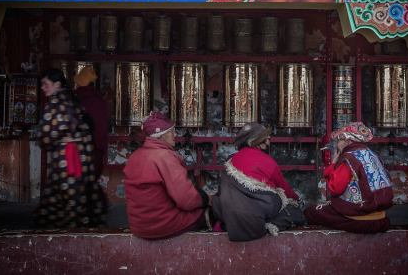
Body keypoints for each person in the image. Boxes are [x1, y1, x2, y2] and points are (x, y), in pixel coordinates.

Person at [123, 111, 213, 240]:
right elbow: (186, 201)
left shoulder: (136, 155)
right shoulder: (164, 157)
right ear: (161, 136)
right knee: (211, 215)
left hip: (138, 225)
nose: (175, 135)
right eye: (172, 131)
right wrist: (204, 200)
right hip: (161, 225)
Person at [33, 68, 106, 228]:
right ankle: (81, 226)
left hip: (65, 158)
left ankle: (66, 231)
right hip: (83, 155)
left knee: (62, 195)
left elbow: (47, 135)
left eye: (46, 84)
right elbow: (90, 128)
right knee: (79, 193)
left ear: (57, 84)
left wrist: (45, 141)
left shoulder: (56, 102)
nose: (43, 88)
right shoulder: (73, 100)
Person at [211, 122, 306, 242]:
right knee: (295, 213)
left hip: (230, 213)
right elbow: (284, 189)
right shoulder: (267, 161)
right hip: (255, 213)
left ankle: (232, 224)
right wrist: (297, 201)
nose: (269, 142)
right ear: (258, 143)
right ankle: (264, 226)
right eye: (267, 139)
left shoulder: (230, 159)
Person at [303, 122, 393, 234]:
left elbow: (336, 188)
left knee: (310, 212)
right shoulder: (373, 155)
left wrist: (333, 163)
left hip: (359, 218)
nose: (337, 143)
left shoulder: (349, 158)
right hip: (380, 217)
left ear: (349, 141)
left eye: (340, 140)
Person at [74, 66, 109, 178]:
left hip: (78, 154)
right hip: (97, 154)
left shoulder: (76, 103)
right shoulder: (102, 104)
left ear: (79, 85)